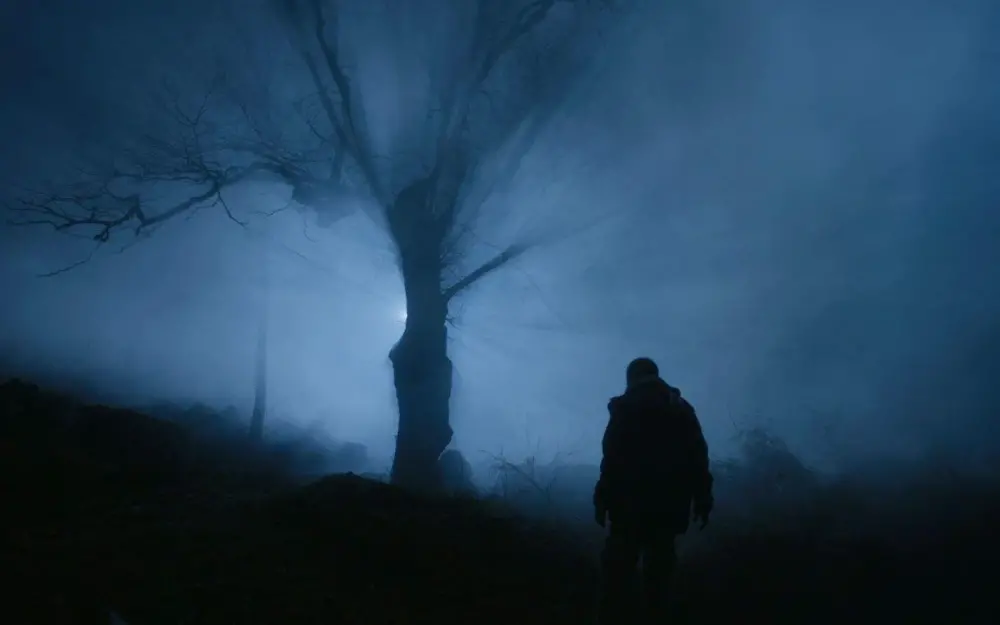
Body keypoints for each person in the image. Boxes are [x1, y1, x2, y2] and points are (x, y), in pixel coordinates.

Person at [593, 357, 714, 625]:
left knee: (616, 579)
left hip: (627, 506)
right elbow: (698, 457)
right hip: (668, 507)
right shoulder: (679, 407)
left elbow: (611, 459)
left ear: (631, 377)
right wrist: (703, 498)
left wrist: (601, 500)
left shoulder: (625, 407)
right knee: (659, 581)